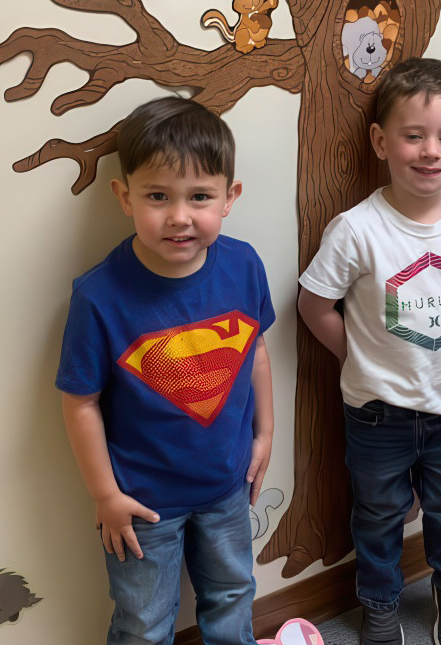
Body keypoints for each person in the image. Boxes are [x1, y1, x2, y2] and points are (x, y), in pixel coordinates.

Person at [297, 57, 441, 645]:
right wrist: (358, 355)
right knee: (377, 517)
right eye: (413, 136)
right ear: (381, 141)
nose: (429, 151)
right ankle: (380, 605)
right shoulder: (357, 229)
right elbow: (314, 306)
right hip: (376, 413)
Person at [56, 96, 275, 645]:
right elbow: (79, 401)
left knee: (232, 596)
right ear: (125, 198)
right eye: (158, 196)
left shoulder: (244, 265)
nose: (180, 216)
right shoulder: (100, 297)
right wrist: (105, 495)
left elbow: (256, 353)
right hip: (141, 503)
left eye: (200, 196)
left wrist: (265, 433)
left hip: (227, 486)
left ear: (230, 198)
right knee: (143, 621)